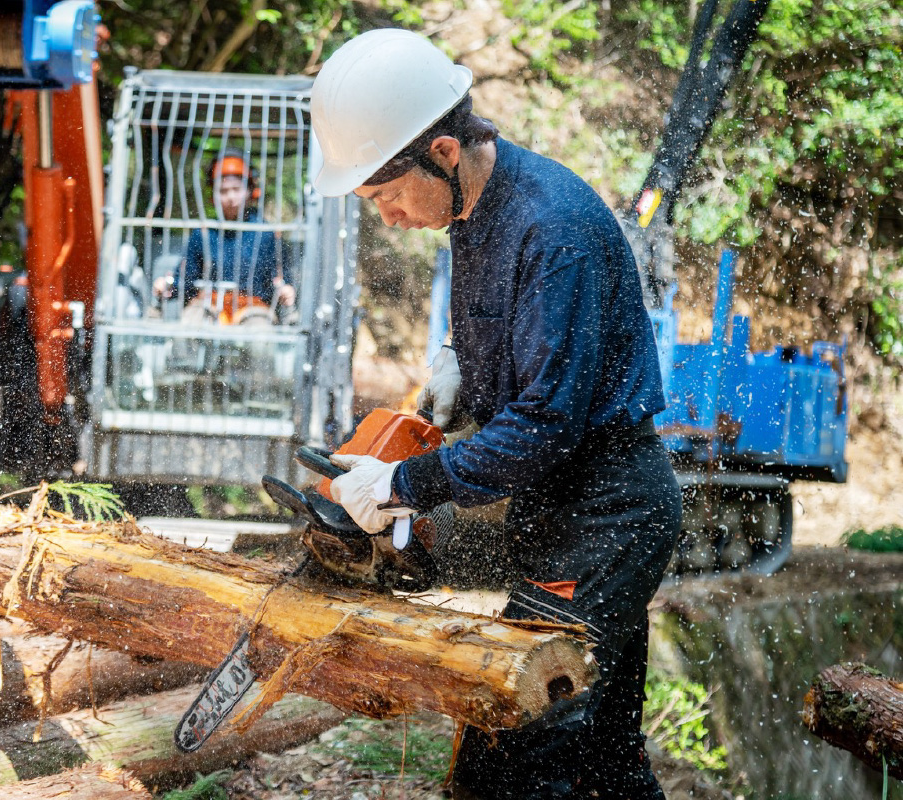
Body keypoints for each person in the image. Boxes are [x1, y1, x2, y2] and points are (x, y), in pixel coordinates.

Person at [312, 29, 682, 799]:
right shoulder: (473, 213)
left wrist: (405, 484)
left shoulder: (554, 229)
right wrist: (460, 370)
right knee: (602, 759)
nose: (386, 217)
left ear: (443, 152)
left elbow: (546, 422)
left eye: (387, 196)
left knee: (510, 746)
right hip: (557, 509)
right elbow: (514, 347)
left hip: (608, 514)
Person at [153, 151, 295, 314]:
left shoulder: (266, 234)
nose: (230, 196)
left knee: (258, 333)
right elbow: (186, 277)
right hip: (208, 303)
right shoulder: (204, 233)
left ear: (251, 191)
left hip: (254, 306)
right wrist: (167, 285)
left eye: (236, 189)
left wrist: (286, 290)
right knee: (193, 323)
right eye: (223, 190)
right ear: (213, 196)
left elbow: (280, 277)